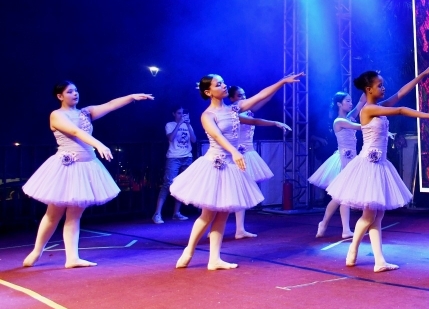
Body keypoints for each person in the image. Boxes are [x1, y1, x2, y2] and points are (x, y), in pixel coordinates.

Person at [171, 73, 301, 270]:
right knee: (207, 214)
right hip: (215, 164)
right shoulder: (208, 115)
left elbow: (259, 97)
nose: (223, 86)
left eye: (223, 83)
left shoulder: (233, 109)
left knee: (223, 213)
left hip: (231, 166)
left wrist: (281, 83)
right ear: (208, 92)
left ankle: (214, 258)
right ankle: (189, 250)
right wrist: (234, 151)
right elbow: (216, 135)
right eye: (218, 84)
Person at [326, 66, 429, 272]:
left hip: (380, 165)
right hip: (368, 166)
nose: (383, 88)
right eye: (379, 85)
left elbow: (400, 94)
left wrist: (422, 76)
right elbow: (400, 110)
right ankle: (353, 252)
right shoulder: (368, 109)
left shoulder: (379, 106)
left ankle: (378, 260)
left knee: (378, 216)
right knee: (368, 215)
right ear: (368, 89)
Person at [22, 82, 153, 268]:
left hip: (86, 166)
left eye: (76, 90)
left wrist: (131, 96)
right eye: (70, 91)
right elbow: (75, 131)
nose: (75, 93)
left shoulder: (86, 112)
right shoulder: (57, 115)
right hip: (66, 167)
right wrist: (98, 144)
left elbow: (109, 105)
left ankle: (72, 258)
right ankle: (37, 251)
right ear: (60, 96)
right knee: (53, 213)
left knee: (75, 214)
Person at [228, 85, 290, 239]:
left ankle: (239, 229)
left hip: (248, 151)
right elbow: (254, 121)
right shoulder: (232, 111)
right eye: (239, 96)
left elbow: (264, 97)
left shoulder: (247, 109)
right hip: (238, 153)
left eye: (244, 95)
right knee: (232, 191)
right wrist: (275, 123)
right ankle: (220, 226)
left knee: (241, 190)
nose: (243, 98)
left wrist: (280, 86)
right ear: (232, 98)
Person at [309, 92, 364, 239]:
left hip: (352, 159)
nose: (350, 103)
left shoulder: (349, 117)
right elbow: (359, 126)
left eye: (350, 100)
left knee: (339, 197)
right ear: (340, 104)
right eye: (347, 100)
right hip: (342, 160)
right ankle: (343, 228)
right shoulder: (339, 121)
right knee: (342, 195)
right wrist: (376, 124)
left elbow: (360, 102)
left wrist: (368, 86)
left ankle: (325, 223)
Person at [153, 106, 196, 224]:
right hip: (174, 158)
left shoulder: (188, 125)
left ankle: (176, 213)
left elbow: (194, 140)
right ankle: (157, 214)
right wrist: (179, 124)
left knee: (182, 185)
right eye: (179, 113)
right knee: (167, 184)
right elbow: (171, 138)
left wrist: (187, 125)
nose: (181, 115)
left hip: (187, 157)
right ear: (174, 114)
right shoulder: (170, 125)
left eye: (183, 113)